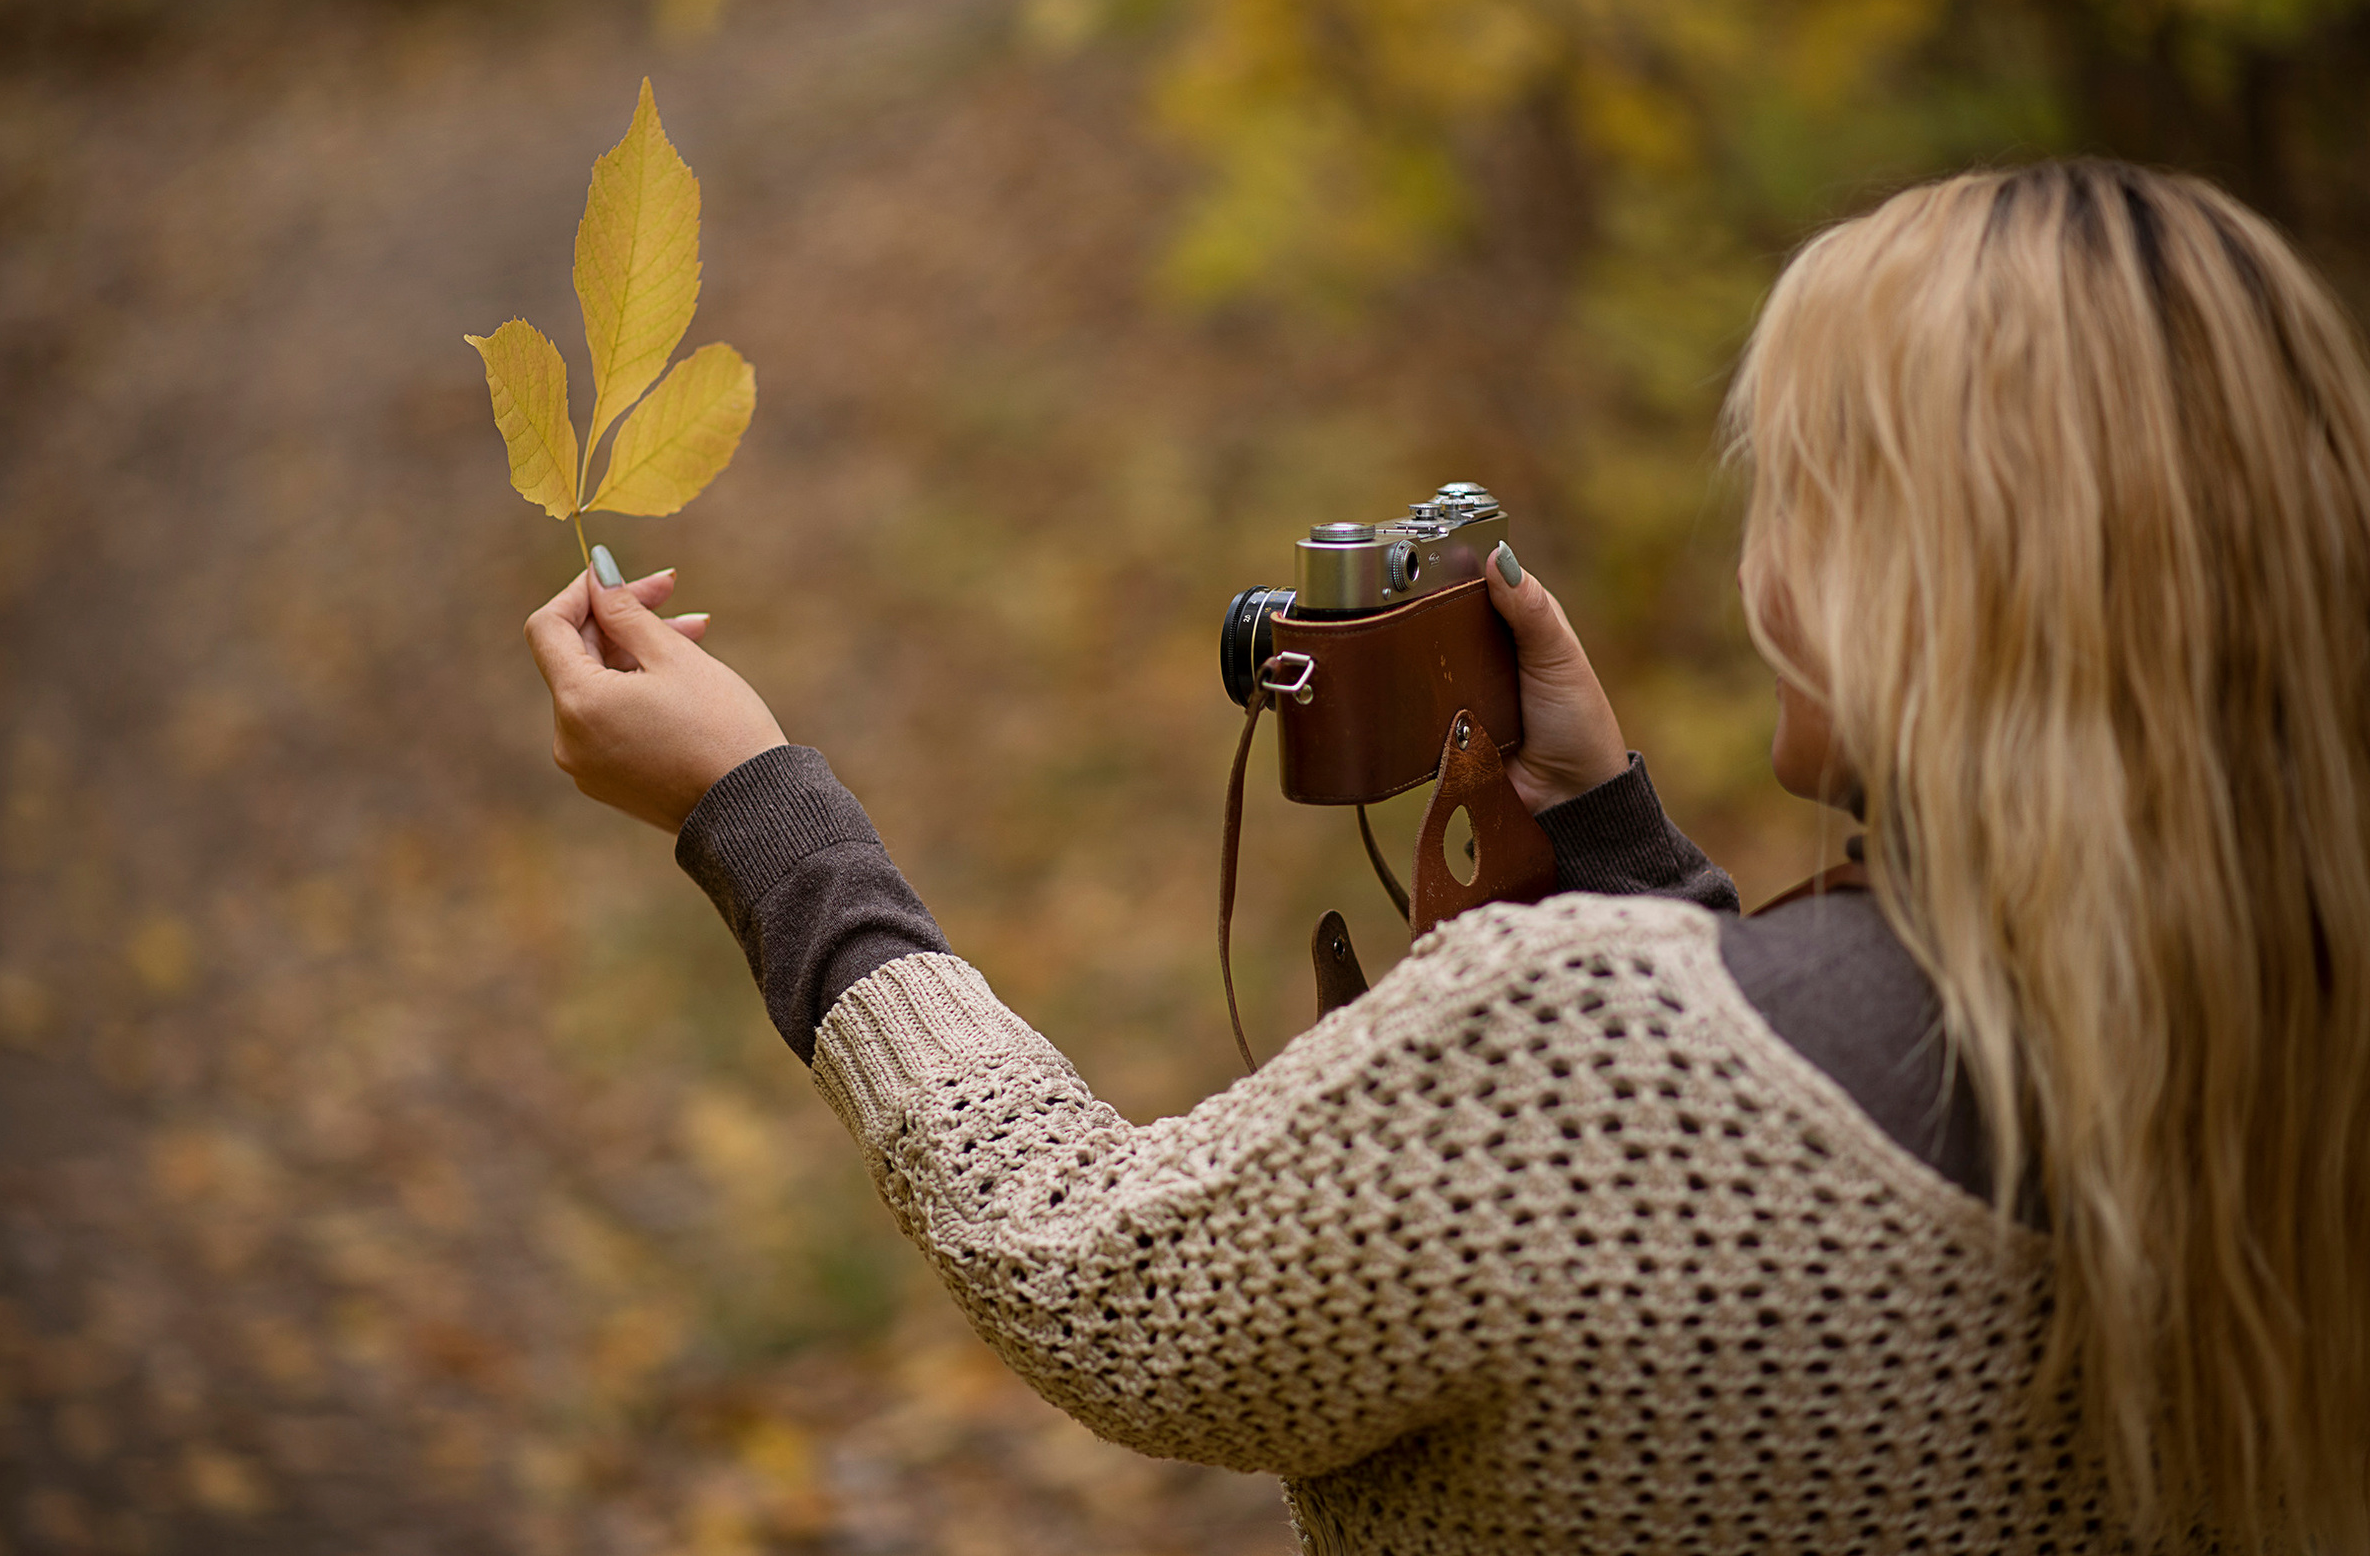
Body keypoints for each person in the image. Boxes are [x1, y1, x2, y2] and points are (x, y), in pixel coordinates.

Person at [525, 160, 2370, 1554]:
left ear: (1928, 585)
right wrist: (1615, 832)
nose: (1765, 568)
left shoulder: (1589, 1055)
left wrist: (758, 809)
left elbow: (1093, 1274)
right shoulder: (2285, 1061)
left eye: (1801, 496)